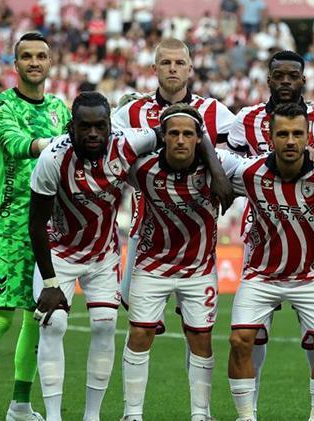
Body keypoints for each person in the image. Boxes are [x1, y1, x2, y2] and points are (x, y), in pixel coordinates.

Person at [227, 49, 314, 415]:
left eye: (292, 75)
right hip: (260, 249)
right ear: (268, 79)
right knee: (247, 338)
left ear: (303, 79)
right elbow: (221, 169)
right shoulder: (246, 122)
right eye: (278, 75)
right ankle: (247, 413)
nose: (285, 81)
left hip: (310, 259)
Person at [28, 91, 162, 421]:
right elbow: (36, 224)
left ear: (109, 126)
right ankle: (54, 417)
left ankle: (92, 416)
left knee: (105, 326)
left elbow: (171, 131)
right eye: (84, 126)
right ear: (71, 127)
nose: (93, 133)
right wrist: (50, 283)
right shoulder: (52, 159)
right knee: (53, 324)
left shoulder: (127, 143)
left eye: (100, 126)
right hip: (59, 253)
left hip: (103, 256)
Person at [0, 32, 70, 421]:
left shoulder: (60, 109)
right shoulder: (0, 107)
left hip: (47, 232)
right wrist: (59, 144)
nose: (34, 62)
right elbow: (16, 143)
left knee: (37, 318)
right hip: (10, 230)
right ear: (16, 65)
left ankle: (20, 405)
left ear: (49, 63)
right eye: (26, 56)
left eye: (40, 56)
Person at [120, 104, 239, 421]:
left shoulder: (221, 164)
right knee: (140, 334)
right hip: (152, 266)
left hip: (199, 270)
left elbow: (254, 169)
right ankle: (132, 414)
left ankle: (201, 414)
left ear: (199, 138)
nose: (181, 140)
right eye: (174, 133)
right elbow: (111, 153)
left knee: (201, 338)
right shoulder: (142, 168)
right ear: (163, 136)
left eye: (188, 134)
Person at [113, 37, 235, 334]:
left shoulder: (213, 110)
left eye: (179, 63)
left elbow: (246, 149)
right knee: (138, 321)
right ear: (154, 68)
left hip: (198, 236)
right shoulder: (132, 112)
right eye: (165, 63)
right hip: (147, 231)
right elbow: (106, 146)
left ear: (190, 68)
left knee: (198, 332)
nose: (172, 68)